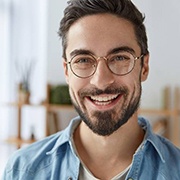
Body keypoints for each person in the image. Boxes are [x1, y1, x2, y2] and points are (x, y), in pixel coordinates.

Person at [2, 0, 180, 179]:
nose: (101, 81)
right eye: (83, 60)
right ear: (67, 71)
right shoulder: (21, 171)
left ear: (144, 66)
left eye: (119, 58)